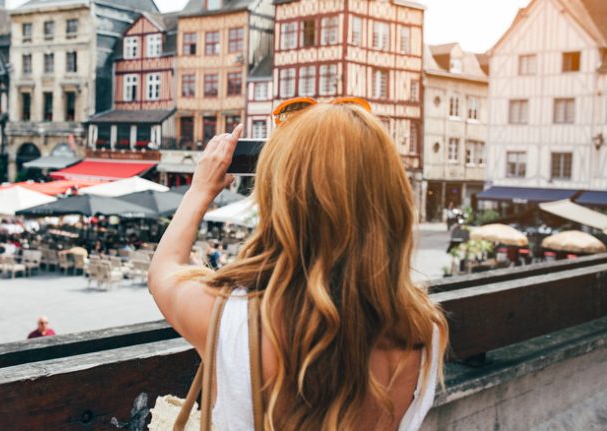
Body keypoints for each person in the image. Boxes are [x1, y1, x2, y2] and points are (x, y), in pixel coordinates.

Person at [148, 109, 447, 430]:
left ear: (282, 198)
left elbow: (163, 270)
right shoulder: (421, 329)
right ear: (392, 199)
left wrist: (200, 191)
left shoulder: (232, 317)